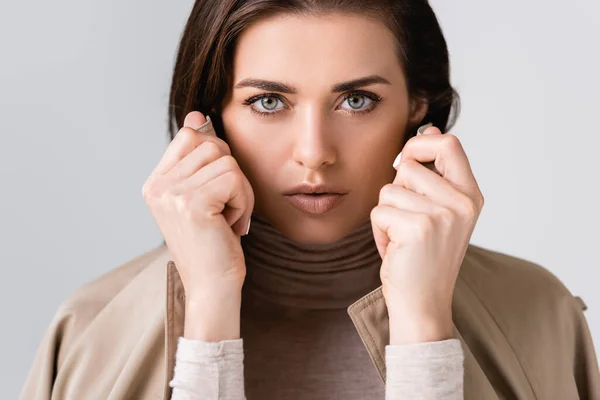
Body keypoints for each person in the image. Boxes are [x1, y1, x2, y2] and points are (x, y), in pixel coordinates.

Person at [20, 1, 600, 399]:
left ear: (419, 104)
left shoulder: (538, 315)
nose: (314, 153)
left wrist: (425, 328)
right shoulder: (90, 331)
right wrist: (211, 312)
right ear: (209, 115)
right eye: (269, 102)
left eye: (356, 101)